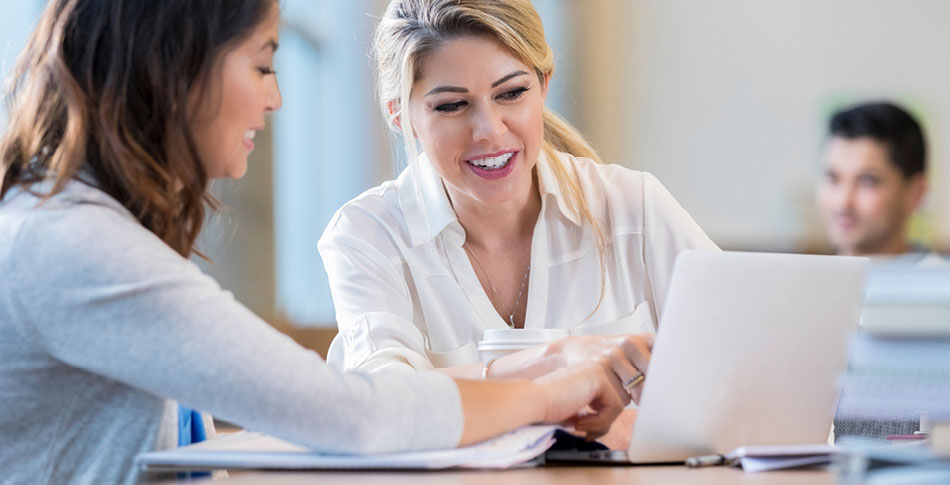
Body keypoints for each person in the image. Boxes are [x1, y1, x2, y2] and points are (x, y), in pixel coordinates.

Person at [0, 1, 631, 483]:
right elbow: (351, 413)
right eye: (262, 64)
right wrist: (553, 391)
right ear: (178, 66)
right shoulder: (73, 245)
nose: (274, 98)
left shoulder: (70, 224)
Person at [318, 0, 719, 446]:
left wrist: (628, 427)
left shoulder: (633, 208)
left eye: (511, 93)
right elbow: (380, 403)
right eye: (451, 105)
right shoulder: (367, 235)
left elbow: (750, 363)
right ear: (400, 114)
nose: (488, 129)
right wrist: (556, 361)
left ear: (544, 85)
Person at [816, 101, 940, 263]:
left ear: (916, 193)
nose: (843, 202)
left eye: (867, 181)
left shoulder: (940, 286)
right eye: (833, 178)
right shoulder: (805, 285)